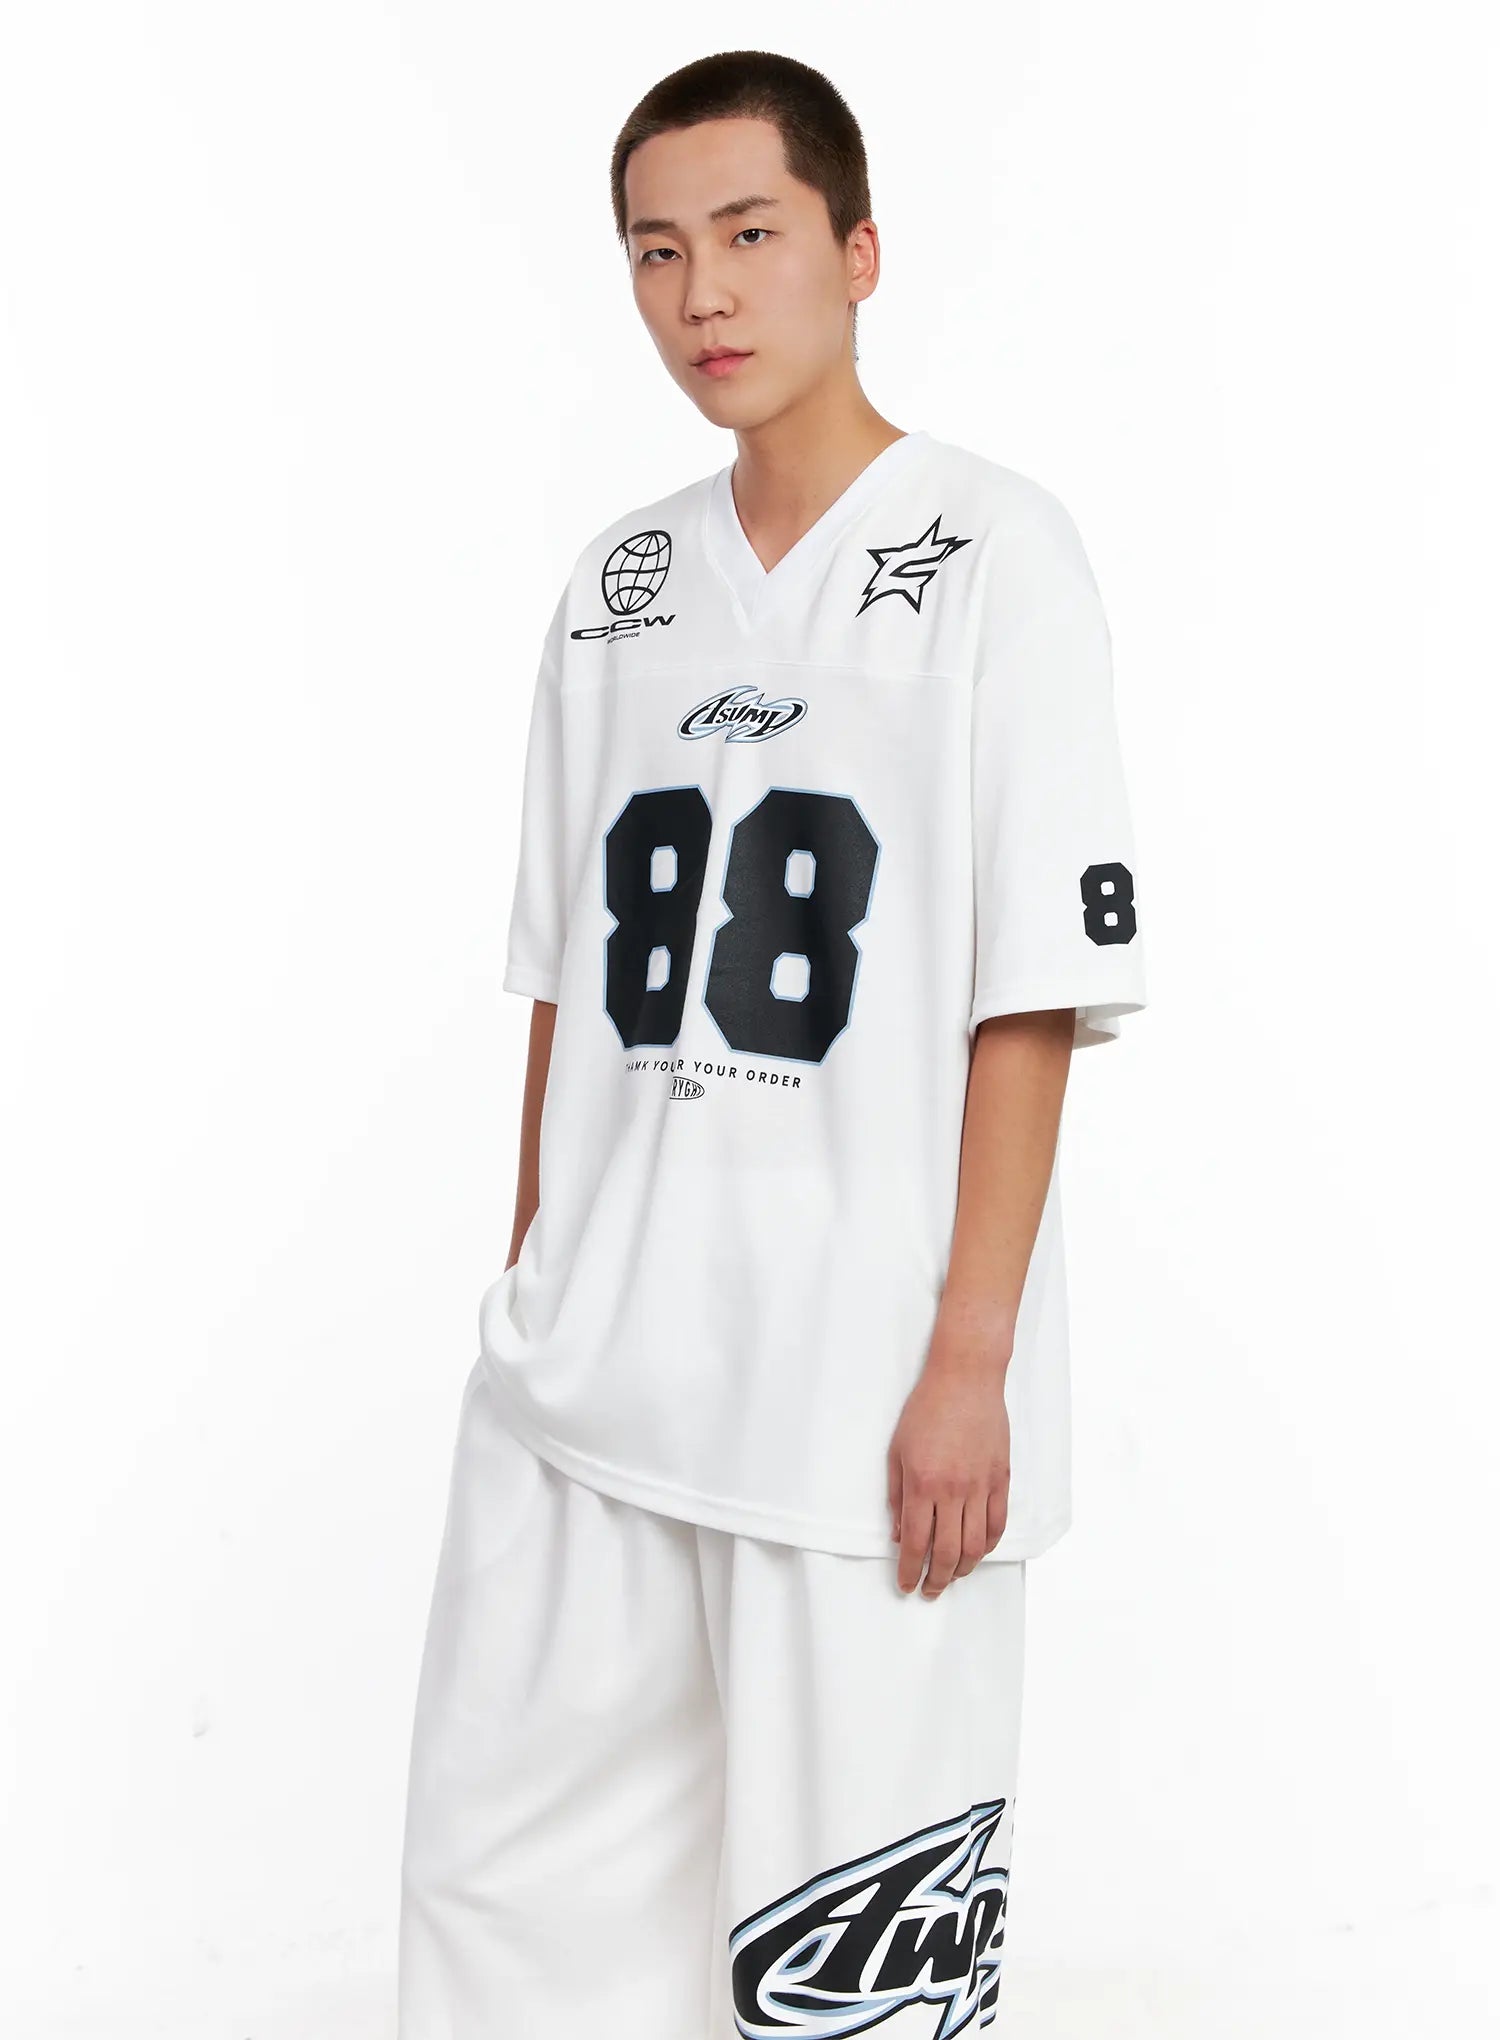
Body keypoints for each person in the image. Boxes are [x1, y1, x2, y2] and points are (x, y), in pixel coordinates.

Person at [397, 47, 1147, 2040]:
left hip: (857, 1396)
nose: (703, 294)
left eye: (748, 234)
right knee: (506, 1908)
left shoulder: (999, 556)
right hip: (597, 1382)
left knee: (844, 1978)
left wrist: (971, 1363)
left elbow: (1027, 992)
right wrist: (533, 1270)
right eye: (656, 251)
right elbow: (564, 974)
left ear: (859, 250)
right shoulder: (618, 588)